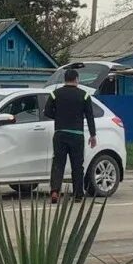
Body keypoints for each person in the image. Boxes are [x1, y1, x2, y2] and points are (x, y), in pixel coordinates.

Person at [44, 68, 97, 203]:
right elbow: (90, 116)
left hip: (60, 134)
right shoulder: (84, 95)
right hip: (77, 135)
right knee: (77, 166)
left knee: (58, 163)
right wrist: (92, 134)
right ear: (77, 79)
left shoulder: (55, 94)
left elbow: (47, 112)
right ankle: (78, 194)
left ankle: (55, 191)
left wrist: (59, 117)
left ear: (64, 79)